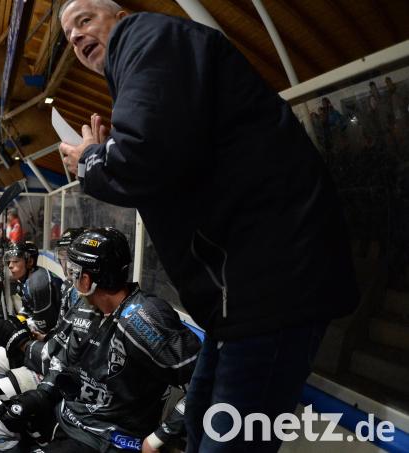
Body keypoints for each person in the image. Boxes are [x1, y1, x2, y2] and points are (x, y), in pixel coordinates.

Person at [57, 1, 359, 451]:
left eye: (85, 21)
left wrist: (93, 162)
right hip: (242, 297)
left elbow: (146, 160)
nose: (77, 38)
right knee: (199, 427)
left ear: (119, 17)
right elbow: (166, 169)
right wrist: (112, 158)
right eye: (68, 35)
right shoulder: (146, 60)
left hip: (269, 291)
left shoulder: (146, 38)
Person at [0, 228, 201, 452]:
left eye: (74, 271)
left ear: (87, 279)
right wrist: (43, 393)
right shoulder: (85, 306)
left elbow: (202, 381)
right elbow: (62, 359)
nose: (70, 276)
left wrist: (158, 438)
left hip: (109, 438)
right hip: (70, 415)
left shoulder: (143, 319)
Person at [0, 230, 85, 405]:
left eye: (16, 261)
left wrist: (20, 336)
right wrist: (16, 324)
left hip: (58, 366)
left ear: (29, 261)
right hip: (51, 352)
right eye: (62, 256)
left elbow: (47, 328)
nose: (11, 266)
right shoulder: (68, 287)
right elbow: (55, 331)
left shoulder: (39, 282)